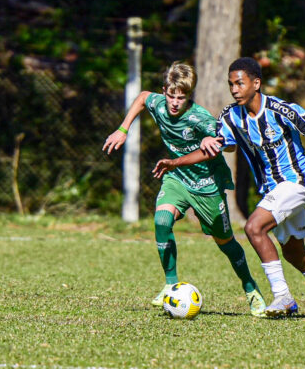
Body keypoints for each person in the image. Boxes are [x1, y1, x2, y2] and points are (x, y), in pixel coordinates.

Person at [152, 57, 305, 319]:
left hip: (296, 182)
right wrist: (176, 161)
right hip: (272, 189)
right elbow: (216, 148)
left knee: (254, 227)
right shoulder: (231, 116)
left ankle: (283, 297)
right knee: (293, 251)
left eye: (239, 83)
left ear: (256, 83)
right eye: (230, 84)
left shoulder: (282, 110)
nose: (234, 89)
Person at [102, 62, 267, 317]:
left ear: (189, 96)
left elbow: (232, 146)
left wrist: (212, 141)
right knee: (162, 220)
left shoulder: (199, 117)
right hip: (177, 177)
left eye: (182, 98)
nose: (175, 102)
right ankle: (170, 284)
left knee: (225, 242)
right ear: (165, 90)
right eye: (171, 95)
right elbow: (143, 98)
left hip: (207, 186)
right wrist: (123, 129)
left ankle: (250, 289)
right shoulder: (158, 103)